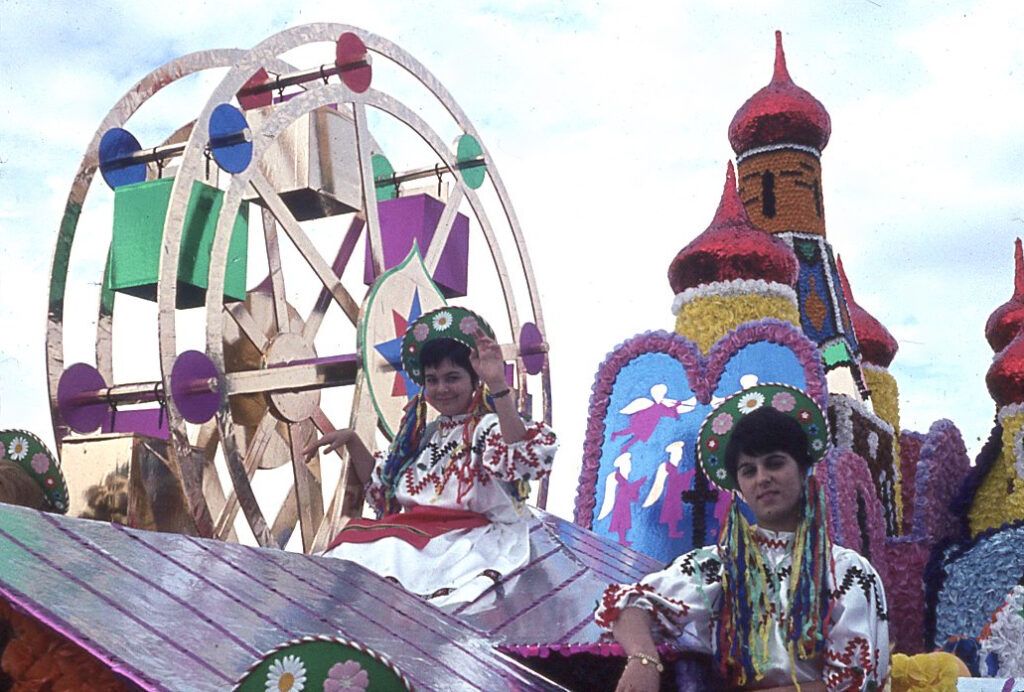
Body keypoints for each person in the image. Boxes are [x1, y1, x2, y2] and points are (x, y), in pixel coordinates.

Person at [595, 384, 889, 691]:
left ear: (804, 472)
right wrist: (643, 659)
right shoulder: (717, 566)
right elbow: (629, 602)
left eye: (775, 463)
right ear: (740, 489)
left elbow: (853, 683)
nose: (762, 478)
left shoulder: (848, 572)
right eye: (749, 470)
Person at [305, 307, 557, 608]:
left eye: (452, 378)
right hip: (419, 533)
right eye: (432, 380)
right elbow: (384, 486)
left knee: (390, 553)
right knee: (348, 551)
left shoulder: (489, 426)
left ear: (474, 380)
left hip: (469, 536)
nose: (441, 389)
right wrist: (353, 441)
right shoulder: (425, 434)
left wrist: (498, 384)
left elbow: (522, 456)